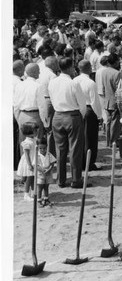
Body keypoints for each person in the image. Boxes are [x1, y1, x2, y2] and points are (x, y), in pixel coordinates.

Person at [48, 57, 87, 188]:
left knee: (60, 150)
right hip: (72, 115)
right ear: (70, 67)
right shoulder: (73, 83)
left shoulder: (53, 82)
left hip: (58, 115)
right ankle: (76, 179)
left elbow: (52, 100)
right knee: (75, 149)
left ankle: (61, 179)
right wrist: (79, 116)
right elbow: (82, 105)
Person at [74, 60, 103, 171]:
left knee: (80, 137)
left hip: (78, 110)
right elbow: (94, 102)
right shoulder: (90, 83)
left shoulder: (74, 80)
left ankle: (82, 161)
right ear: (89, 68)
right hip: (89, 110)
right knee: (90, 138)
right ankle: (89, 162)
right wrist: (99, 116)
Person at [13, 63, 45, 145]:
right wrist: (44, 122)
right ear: (34, 72)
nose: (39, 73)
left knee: (23, 145)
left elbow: (16, 105)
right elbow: (42, 107)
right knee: (36, 145)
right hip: (35, 117)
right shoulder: (38, 86)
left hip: (22, 116)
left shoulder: (19, 85)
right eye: (38, 71)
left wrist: (18, 119)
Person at [101, 53, 121, 146]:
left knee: (108, 122)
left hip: (107, 100)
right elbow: (118, 89)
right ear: (116, 62)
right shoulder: (117, 73)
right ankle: (113, 141)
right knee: (114, 123)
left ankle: (108, 141)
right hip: (114, 101)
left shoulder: (104, 72)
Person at [17, 122, 39, 201]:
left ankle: (33, 192)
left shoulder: (33, 140)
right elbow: (26, 154)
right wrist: (29, 165)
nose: (37, 132)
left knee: (33, 177)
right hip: (28, 162)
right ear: (29, 132)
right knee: (29, 178)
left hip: (33, 160)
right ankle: (26, 194)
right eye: (35, 130)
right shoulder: (27, 142)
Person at [36, 137, 57, 207]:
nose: (42, 150)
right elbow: (36, 165)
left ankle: (46, 199)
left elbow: (52, 163)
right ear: (37, 147)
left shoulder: (49, 154)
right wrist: (42, 170)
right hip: (40, 174)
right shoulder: (37, 156)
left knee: (46, 186)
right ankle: (39, 200)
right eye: (40, 148)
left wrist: (49, 169)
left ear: (46, 147)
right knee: (40, 187)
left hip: (48, 173)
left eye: (44, 148)